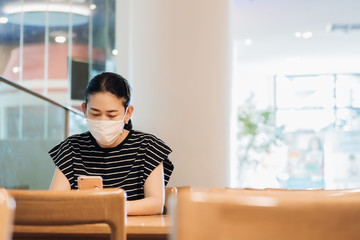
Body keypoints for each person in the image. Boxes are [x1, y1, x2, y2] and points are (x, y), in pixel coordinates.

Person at [48, 72, 174, 215]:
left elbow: (156, 203)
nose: (103, 121)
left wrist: (107, 206)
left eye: (112, 115)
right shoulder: (71, 149)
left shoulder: (148, 147)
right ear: (84, 109)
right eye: (95, 114)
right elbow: (54, 201)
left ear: (128, 113)